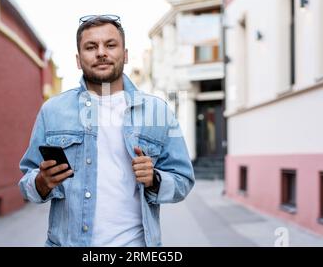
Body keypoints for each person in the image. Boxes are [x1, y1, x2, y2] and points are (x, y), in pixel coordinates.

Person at [19, 15, 195, 247]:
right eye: (91, 47)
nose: (101, 52)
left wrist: (154, 179)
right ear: (78, 59)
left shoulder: (157, 111)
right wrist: (42, 182)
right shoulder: (52, 111)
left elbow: (183, 180)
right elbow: (27, 183)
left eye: (110, 45)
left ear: (126, 54)